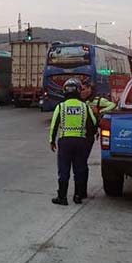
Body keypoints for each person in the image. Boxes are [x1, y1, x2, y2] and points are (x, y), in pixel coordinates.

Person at [49, 78, 97, 206]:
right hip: (81, 141)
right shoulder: (84, 107)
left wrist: (51, 141)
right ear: (78, 91)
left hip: (65, 142)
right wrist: (88, 137)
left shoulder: (61, 106)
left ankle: (62, 197)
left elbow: (54, 125)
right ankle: (78, 196)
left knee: (64, 170)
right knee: (79, 169)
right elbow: (93, 124)